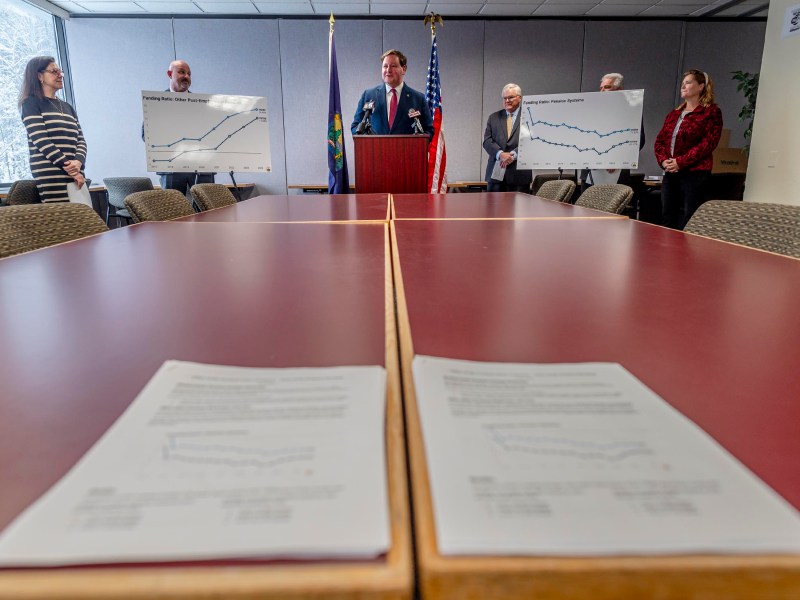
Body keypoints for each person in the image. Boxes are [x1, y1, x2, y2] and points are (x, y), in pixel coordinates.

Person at [654, 69, 723, 230]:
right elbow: (659, 141)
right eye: (683, 83)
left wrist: (680, 162)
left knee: (690, 216)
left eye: (688, 82)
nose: (683, 86)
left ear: (701, 86)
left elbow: (709, 143)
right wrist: (664, 161)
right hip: (671, 172)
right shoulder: (674, 114)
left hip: (695, 174)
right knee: (667, 214)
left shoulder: (711, 112)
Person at [19, 56, 87, 203]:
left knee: (84, 219)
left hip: (76, 171)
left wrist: (79, 162)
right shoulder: (30, 103)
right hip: (51, 173)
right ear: (39, 76)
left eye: (60, 71)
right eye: (54, 71)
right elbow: (41, 140)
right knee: (61, 221)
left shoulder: (67, 107)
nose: (60, 75)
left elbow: (80, 139)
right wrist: (70, 167)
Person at [144, 59, 215, 195]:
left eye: (189, 73)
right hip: (171, 167)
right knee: (175, 210)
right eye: (182, 72)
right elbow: (145, 134)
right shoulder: (155, 103)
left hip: (201, 166)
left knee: (208, 210)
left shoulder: (203, 104)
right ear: (170, 74)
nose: (186, 76)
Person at [580, 72, 646, 193]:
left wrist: (617, 159)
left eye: (607, 87)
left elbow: (638, 140)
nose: (602, 91)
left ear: (620, 89)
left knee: (611, 210)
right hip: (591, 171)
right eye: (601, 88)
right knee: (585, 209)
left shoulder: (631, 111)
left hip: (616, 172)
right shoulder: (591, 110)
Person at [351, 50, 433, 136]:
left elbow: (429, 130)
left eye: (393, 66)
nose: (388, 70)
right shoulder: (368, 95)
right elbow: (355, 126)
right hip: (375, 148)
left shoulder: (418, 99)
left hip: (406, 149)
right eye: (385, 66)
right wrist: (368, 141)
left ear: (404, 69)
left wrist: (418, 140)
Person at [483, 83, 531, 193]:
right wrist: (500, 154)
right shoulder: (493, 117)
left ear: (519, 98)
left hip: (519, 175)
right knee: (493, 210)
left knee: (518, 210)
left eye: (511, 97)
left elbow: (531, 142)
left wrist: (512, 156)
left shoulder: (529, 116)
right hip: (495, 174)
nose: (507, 101)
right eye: (505, 98)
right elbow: (487, 141)